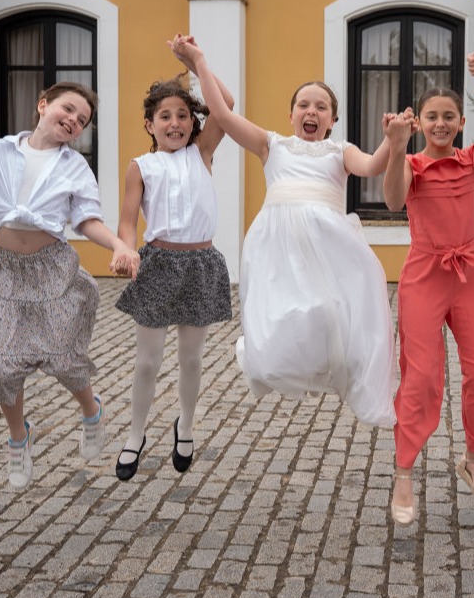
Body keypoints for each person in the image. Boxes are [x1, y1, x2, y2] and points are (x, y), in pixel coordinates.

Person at [170, 36, 396, 429]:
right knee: (282, 316)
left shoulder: (339, 151)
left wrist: (393, 143)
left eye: (321, 107)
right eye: (304, 105)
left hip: (327, 244)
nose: (312, 111)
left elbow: (373, 166)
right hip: (278, 242)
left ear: (332, 120)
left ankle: (335, 367)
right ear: (291, 115)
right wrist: (198, 62)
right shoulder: (270, 145)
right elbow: (221, 115)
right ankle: (281, 362)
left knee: (328, 314)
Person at [0, 82, 140, 490]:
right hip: (6, 272)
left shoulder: (74, 167)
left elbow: (87, 219)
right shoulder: (0, 152)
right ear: (43, 105)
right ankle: (18, 440)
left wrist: (119, 245)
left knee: (64, 360)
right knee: (4, 366)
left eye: (82, 121)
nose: (74, 121)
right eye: (69, 110)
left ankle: (91, 411)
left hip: (53, 270)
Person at [383, 52, 474, 524]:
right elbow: (393, 198)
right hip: (425, 274)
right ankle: (404, 472)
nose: (440, 123)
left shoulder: (473, 160)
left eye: (448, 117)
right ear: (419, 122)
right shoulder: (414, 165)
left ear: (461, 122)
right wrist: (397, 146)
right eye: (431, 117)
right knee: (420, 375)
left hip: (471, 273)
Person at [113, 56, 235, 481]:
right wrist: (125, 251)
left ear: (193, 123)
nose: (175, 122)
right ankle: (135, 434)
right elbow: (127, 222)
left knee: (192, 358)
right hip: (158, 264)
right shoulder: (141, 166)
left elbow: (228, 103)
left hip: (200, 264)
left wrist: (196, 63)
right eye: (165, 116)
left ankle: (185, 425)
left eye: (183, 115)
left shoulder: (201, 153)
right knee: (147, 361)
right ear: (150, 124)